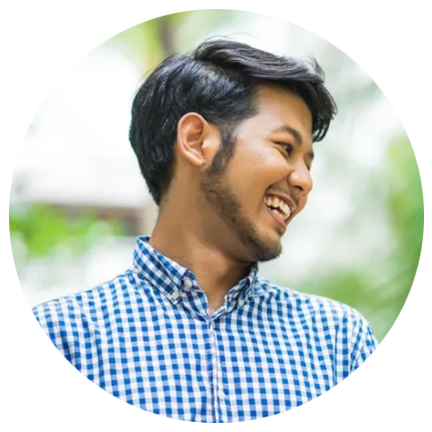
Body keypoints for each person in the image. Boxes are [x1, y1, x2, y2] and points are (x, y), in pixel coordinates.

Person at [9, 38, 400, 423]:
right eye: (285, 148)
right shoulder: (46, 346)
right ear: (196, 141)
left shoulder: (340, 343)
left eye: (308, 163)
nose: (304, 181)